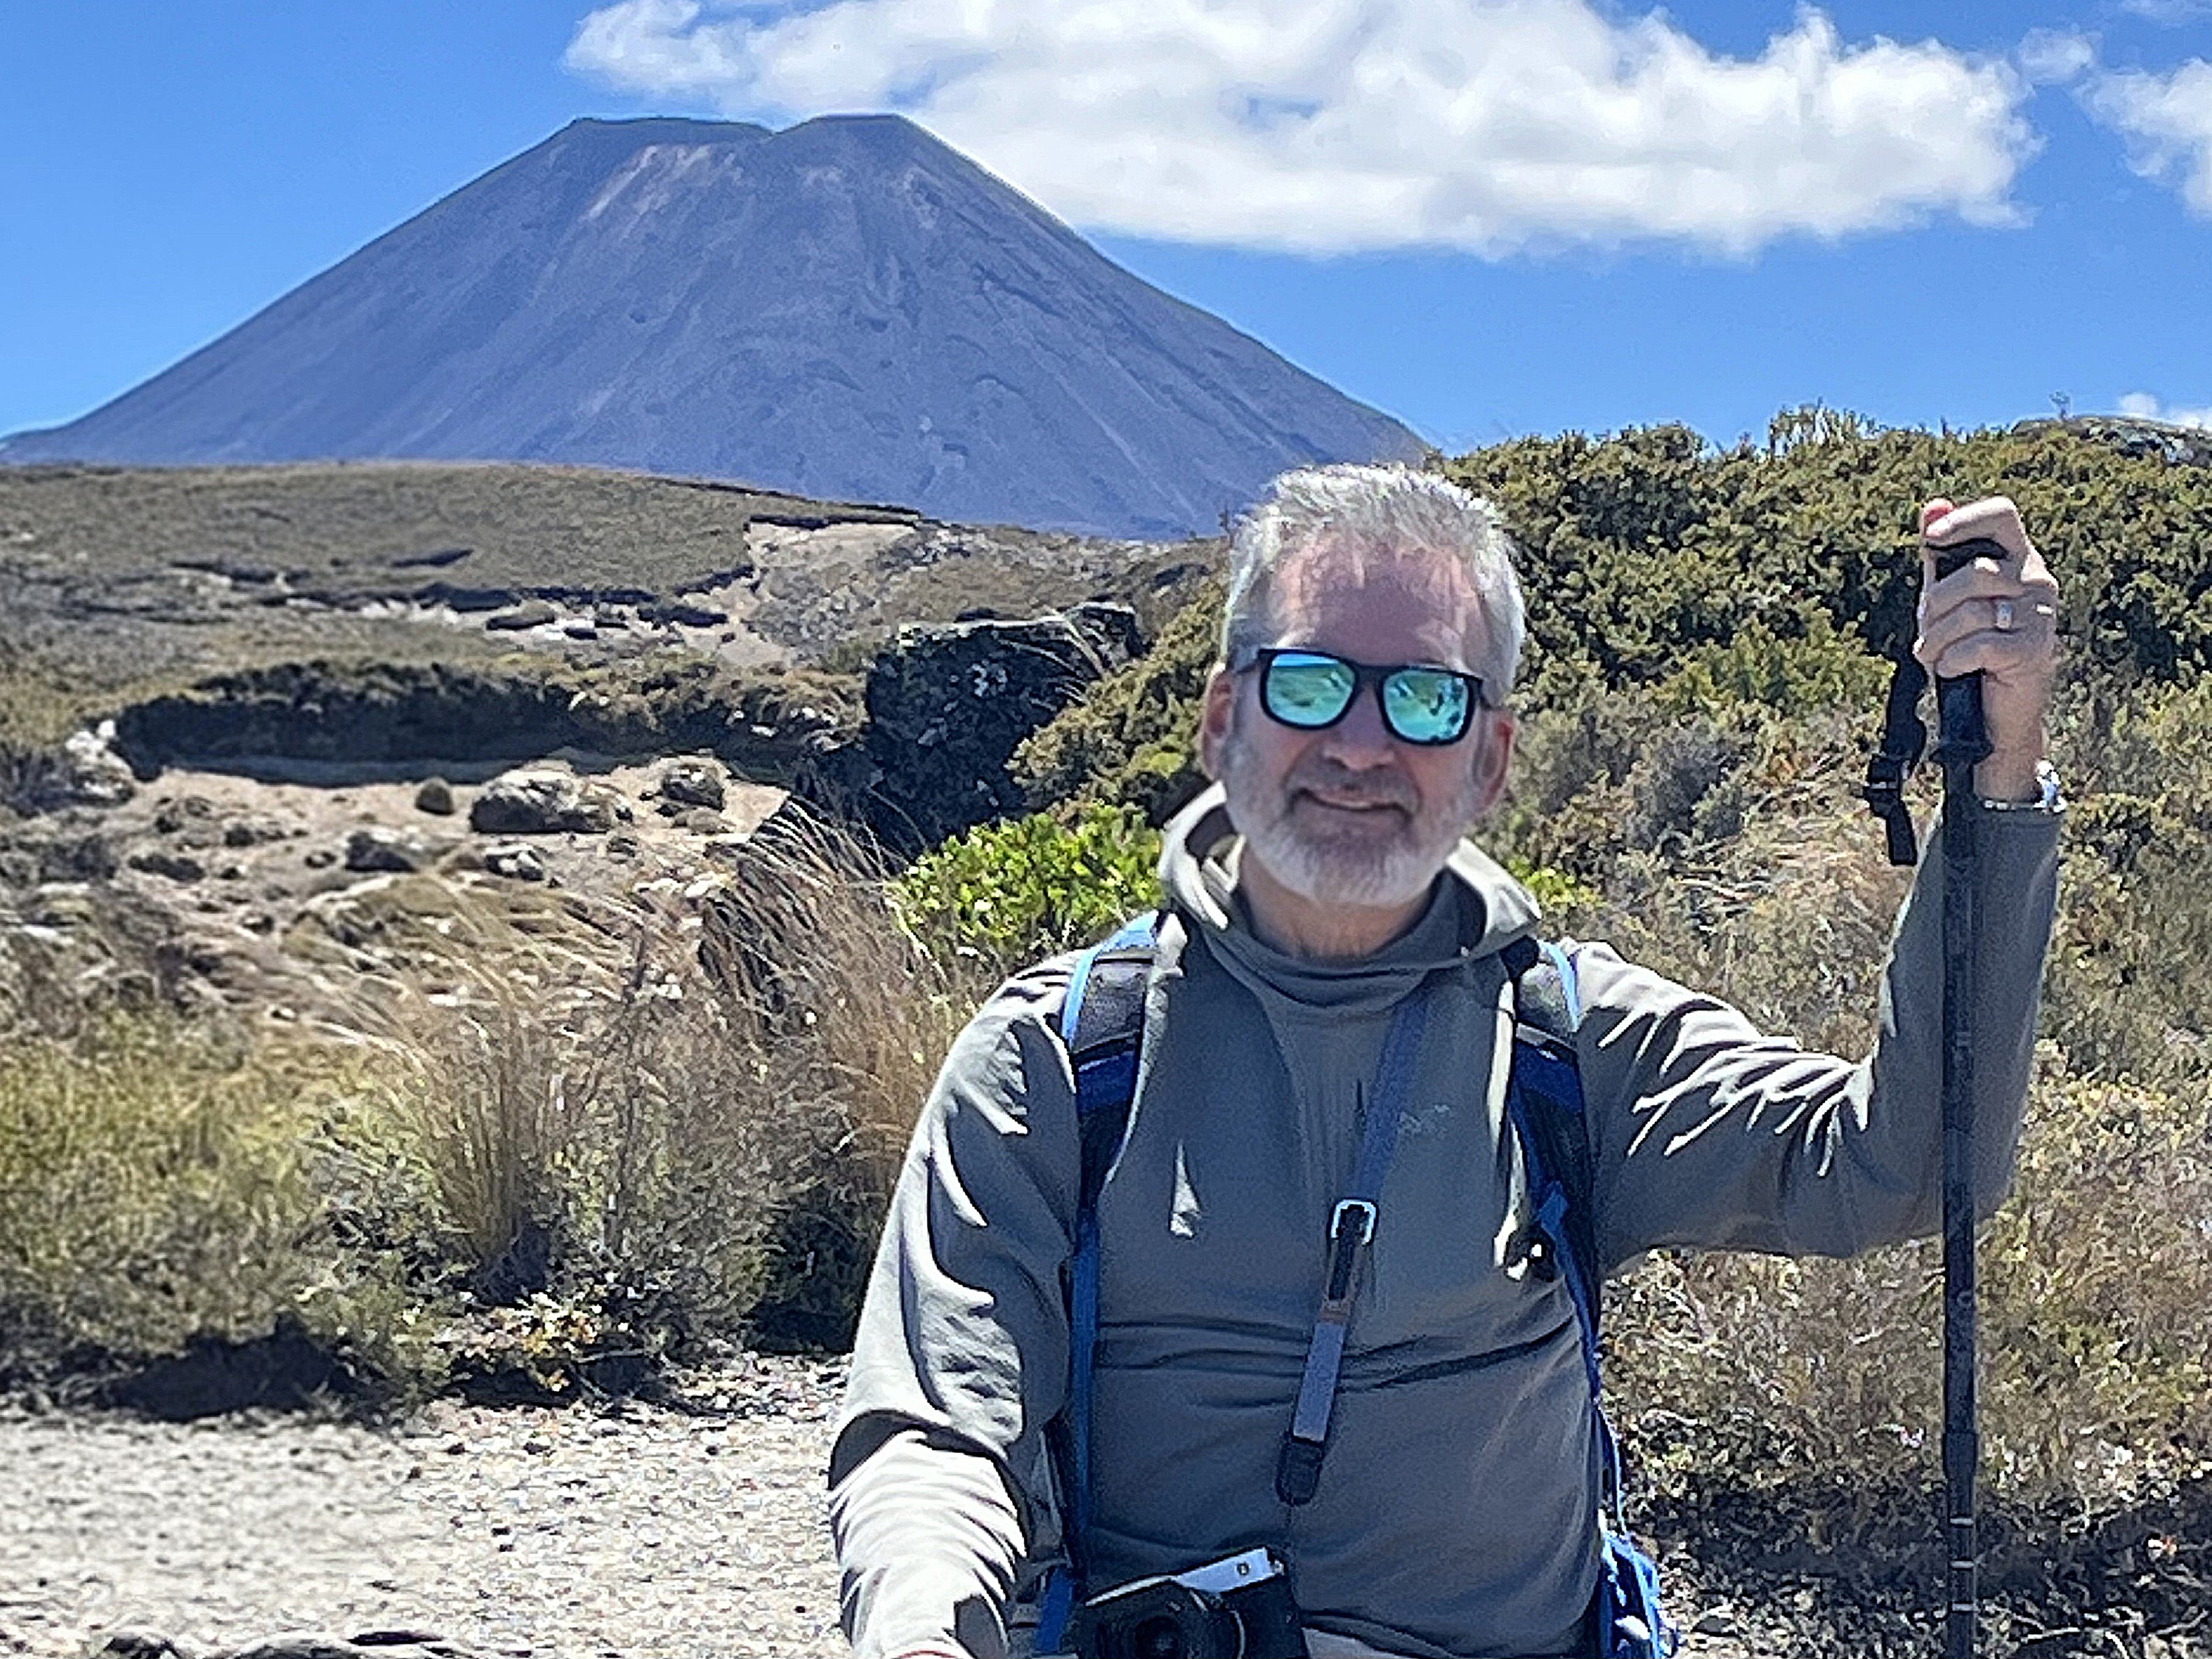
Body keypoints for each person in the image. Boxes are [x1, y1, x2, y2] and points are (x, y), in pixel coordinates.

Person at [828, 464, 2063, 1659]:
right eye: (1310, 685)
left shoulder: (1573, 1044)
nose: (1363, 746)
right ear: (1222, 720)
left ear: (1490, 760)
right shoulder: (1059, 1063)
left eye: (1425, 699)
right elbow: (935, 1432)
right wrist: (923, 1625)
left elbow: (1908, 1166)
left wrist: (1998, 779)